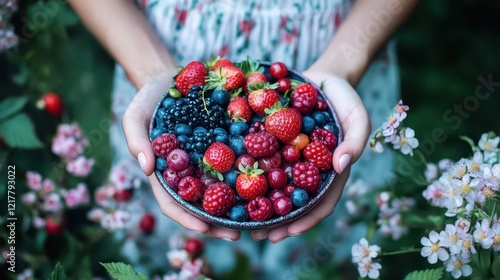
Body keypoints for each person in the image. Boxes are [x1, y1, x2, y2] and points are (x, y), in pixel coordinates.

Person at [70, 0, 418, 277]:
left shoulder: (287, 119)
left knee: (324, 256)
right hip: (165, 57)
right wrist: (153, 73)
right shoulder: (211, 126)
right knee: (180, 257)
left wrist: (340, 67)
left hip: (337, 55)